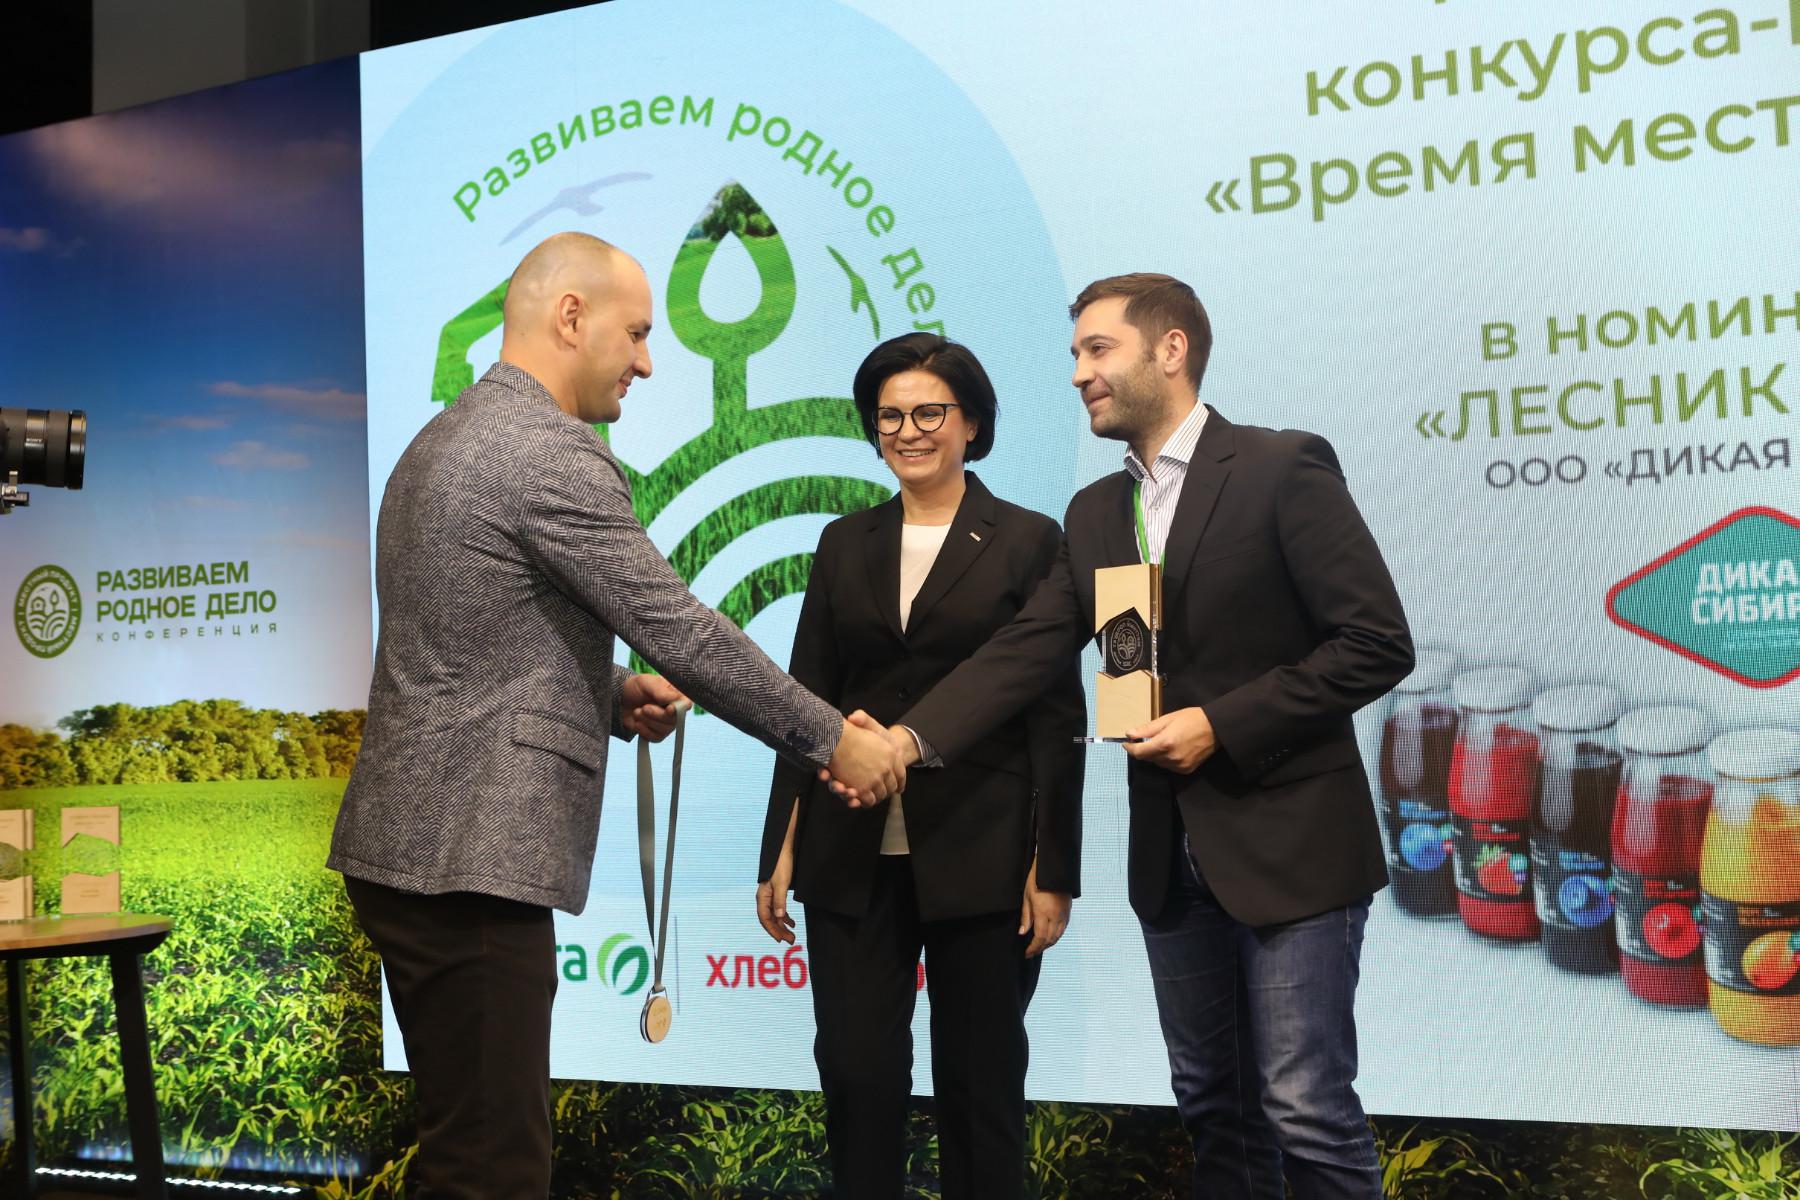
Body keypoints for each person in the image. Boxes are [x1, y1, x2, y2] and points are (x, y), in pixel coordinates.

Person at [328, 232, 906, 1200]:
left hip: (414, 849)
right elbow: (679, 629)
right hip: (467, 858)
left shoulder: (444, 437)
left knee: (467, 1148)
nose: (646, 361)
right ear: (571, 317)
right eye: (636, 333)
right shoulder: (549, 452)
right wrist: (832, 739)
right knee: (493, 1172)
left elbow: (462, 646)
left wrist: (604, 694)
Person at [841, 274, 1413, 1199]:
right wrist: (907, 742)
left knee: (1304, 1106)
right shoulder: (1096, 513)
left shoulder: (1281, 467)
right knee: (1214, 1106)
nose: (1078, 373)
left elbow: (1376, 643)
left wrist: (1220, 724)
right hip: (1170, 859)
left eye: (1097, 349)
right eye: (1076, 354)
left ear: (1170, 349)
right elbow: (1024, 652)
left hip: (1293, 848)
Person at [755, 333, 1084, 1199]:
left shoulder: (1029, 540)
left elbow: (1055, 716)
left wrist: (1053, 866)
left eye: (929, 413)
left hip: (984, 850)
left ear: (971, 423)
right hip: (848, 850)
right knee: (856, 1075)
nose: (908, 431)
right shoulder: (842, 541)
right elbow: (806, 698)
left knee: (981, 1084)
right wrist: (780, 842)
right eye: (890, 416)